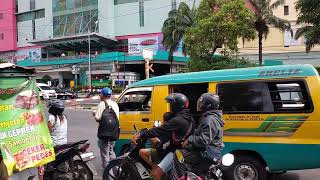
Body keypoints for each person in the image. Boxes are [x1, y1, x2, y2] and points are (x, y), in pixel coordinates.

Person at [133, 93, 194, 180]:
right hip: (182, 150)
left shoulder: (177, 120)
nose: (171, 107)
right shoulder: (190, 118)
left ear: (176, 106)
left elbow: (159, 130)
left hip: (176, 152)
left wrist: (141, 134)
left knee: (155, 173)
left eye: (172, 104)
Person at [171, 93, 225, 179]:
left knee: (178, 154)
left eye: (203, 103)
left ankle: (179, 177)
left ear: (208, 105)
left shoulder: (210, 120)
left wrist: (190, 139)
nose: (201, 105)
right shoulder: (211, 118)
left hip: (206, 152)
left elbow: (204, 140)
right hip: (209, 151)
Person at [92, 87, 119, 169]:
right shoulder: (115, 104)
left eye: (100, 94)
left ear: (103, 95)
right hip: (114, 131)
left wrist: (94, 114)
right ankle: (117, 173)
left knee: (105, 155)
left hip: (105, 133)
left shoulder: (102, 104)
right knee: (111, 152)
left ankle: (108, 175)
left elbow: (97, 118)